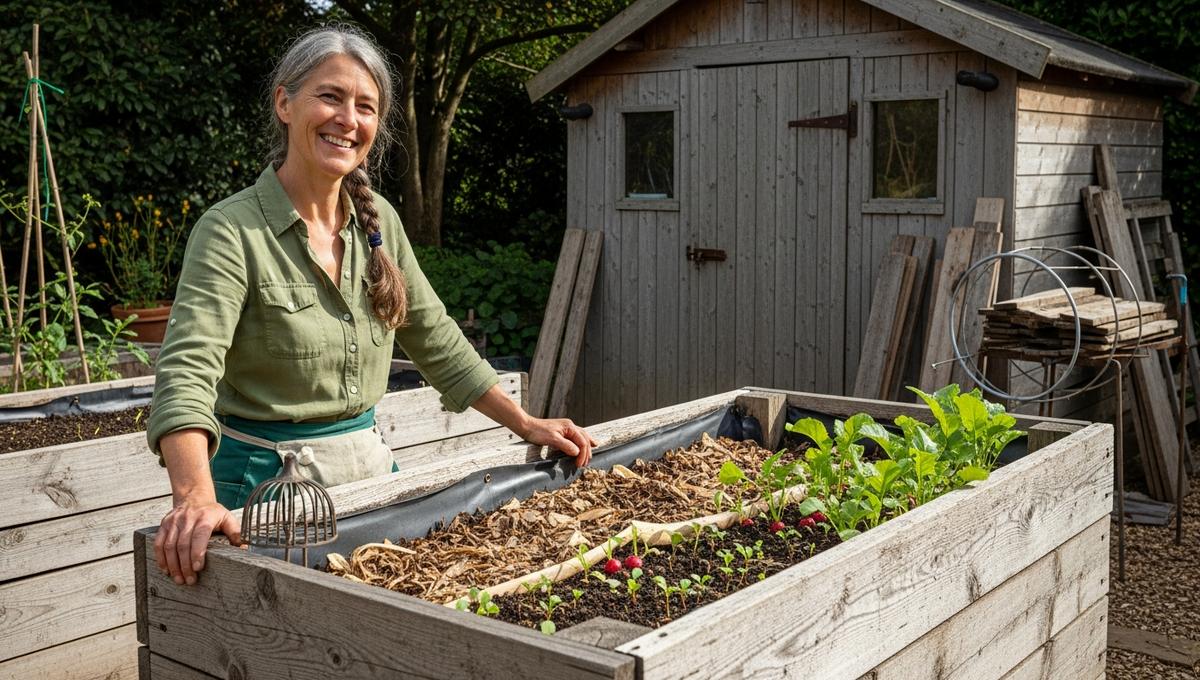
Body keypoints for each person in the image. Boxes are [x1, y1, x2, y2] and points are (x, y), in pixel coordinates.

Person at [147, 25, 596, 587]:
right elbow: (186, 373)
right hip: (263, 495)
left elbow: (436, 338)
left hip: (368, 478)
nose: (347, 119)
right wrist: (194, 498)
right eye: (330, 96)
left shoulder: (376, 219)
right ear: (284, 103)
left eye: (365, 106)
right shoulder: (231, 231)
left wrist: (525, 423)